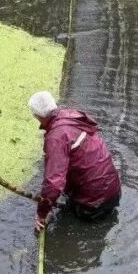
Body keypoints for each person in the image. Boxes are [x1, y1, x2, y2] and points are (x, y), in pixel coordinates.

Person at [29, 91, 121, 234]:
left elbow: (53, 183)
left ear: (37, 116)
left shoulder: (56, 138)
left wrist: (41, 214)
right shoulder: (71, 116)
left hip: (92, 205)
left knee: (68, 222)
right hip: (113, 192)